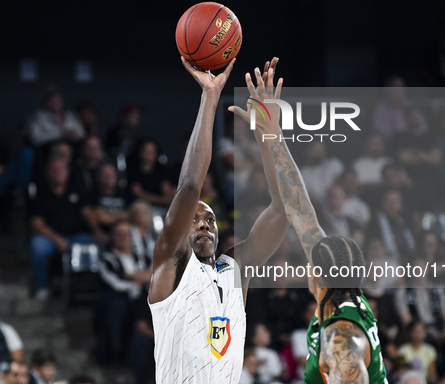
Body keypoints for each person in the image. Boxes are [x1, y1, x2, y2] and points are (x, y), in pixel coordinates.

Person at [148, 57, 289, 384]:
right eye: (194, 218)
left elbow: (283, 209)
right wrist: (210, 96)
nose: (203, 223)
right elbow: (190, 185)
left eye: (209, 218)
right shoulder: (170, 265)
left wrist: (270, 138)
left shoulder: (235, 270)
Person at [245, 68, 387, 383]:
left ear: (318, 275)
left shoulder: (342, 339)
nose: (308, 263)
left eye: (312, 262)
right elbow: (300, 208)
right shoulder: (342, 300)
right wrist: (272, 133)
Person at [29, 157, 101, 299]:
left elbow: (86, 212)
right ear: (47, 173)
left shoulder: (76, 190)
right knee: (36, 246)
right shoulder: (40, 193)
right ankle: (43, 286)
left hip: (78, 237)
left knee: (100, 245)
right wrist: (58, 240)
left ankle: (95, 287)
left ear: (67, 172)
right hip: (51, 239)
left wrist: (97, 231)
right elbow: (36, 223)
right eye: (54, 170)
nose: (58, 172)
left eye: (61, 169)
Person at [95, 220, 151, 365]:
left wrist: (129, 276)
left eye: (126, 234)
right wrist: (138, 280)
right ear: (113, 237)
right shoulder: (107, 259)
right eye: (119, 234)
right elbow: (116, 284)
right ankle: (116, 352)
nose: (123, 237)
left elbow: (152, 274)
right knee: (118, 306)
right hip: (118, 299)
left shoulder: (141, 257)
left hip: (142, 297)